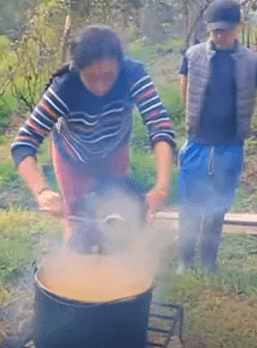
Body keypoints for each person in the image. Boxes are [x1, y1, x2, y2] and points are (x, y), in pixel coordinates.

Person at [10, 25, 176, 250]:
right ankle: (77, 275)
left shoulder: (133, 74)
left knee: (116, 219)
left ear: (120, 64)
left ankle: (115, 274)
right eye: (91, 78)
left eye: (108, 76)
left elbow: (159, 125)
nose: (101, 87)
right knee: (79, 225)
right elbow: (24, 142)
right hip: (72, 158)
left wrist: (162, 187)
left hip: (114, 153)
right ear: (78, 70)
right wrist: (42, 191)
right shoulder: (64, 88)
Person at [177, 0, 257, 274]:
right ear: (208, 28)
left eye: (225, 30)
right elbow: (185, 90)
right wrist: (193, 126)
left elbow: (254, 97)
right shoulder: (193, 56)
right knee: (190, 204)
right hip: (198, 143)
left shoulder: (251, 61)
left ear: (239, 26)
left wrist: (241, 128)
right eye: (215, 30)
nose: (219, 35)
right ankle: (185, 259)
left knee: (218, 205)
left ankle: (209, 260)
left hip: (230, 145)